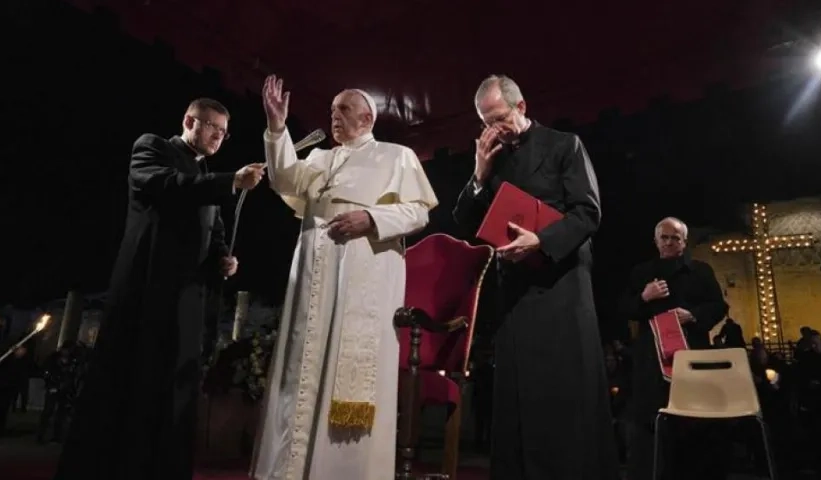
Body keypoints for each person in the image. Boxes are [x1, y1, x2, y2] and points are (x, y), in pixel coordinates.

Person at [54, 98, 265, 480]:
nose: (219, 137)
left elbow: (213, 233)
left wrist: (224, 260)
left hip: (187, 300)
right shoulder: (153, 148)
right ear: (189, 121)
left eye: (224, 132)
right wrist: (230, 181)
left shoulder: (206, 178)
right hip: (146, 291)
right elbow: (165, 186)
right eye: (213, 127)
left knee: (175, 392)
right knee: (134, 381)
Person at [251, 76, 438, 480]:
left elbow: (418, 213)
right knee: (303, 365)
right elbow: (283, 178)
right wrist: (277, 127)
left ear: (368, 116)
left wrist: (370, 217)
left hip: (362, 272)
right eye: (332, 110)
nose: (334, 116)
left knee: (344, 367)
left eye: (344, 109)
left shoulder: (397, 155)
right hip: (313, 271)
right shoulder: (319, 158)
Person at [453, 74, 619, 480]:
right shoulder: (493, 159)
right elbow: (465, 222)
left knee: (565, 395)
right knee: (519, 401)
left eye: (499, 119)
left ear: (521, 107)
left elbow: (588, 212)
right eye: (485, 122)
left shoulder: (565, 145)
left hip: (562, 288)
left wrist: (541, 241)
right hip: (516, 296)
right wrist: (478, 174)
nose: (494, 130)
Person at [618, 217, 729, 480]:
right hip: (651, 363)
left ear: (684, 241)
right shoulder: (640, 273)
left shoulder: (701, 271)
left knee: (696, 423)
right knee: (652, 423)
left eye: (675, 238)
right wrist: (644, 297)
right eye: (664, 237)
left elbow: (719, 307)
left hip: (693, 358)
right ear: (655, 241)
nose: (669, 242)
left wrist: (693, 315)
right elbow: (623, 309)